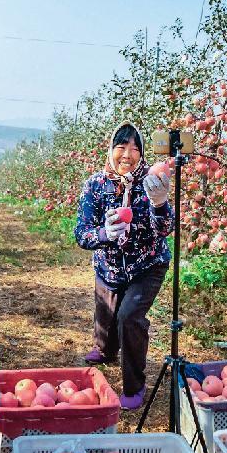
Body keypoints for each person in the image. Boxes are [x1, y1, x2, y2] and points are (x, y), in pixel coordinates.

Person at [74, 122, 174, 410]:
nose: (127, 154)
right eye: (121, 146)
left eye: (135, 148)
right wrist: (104, 234)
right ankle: (106, 351)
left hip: (147, 263)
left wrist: (159, 203)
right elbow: (82, 233)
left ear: (142, 154)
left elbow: (165, 228)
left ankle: (134, 385)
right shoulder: (95, 184)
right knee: (105, 317)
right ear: (111, 150)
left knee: (129, 318)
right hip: (109, 267)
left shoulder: (152, 181)